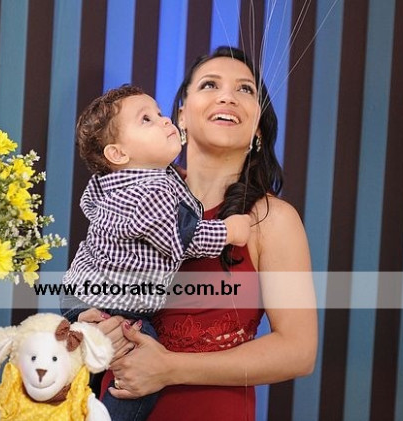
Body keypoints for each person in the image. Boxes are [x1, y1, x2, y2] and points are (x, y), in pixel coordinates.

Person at [78, 46, 318, 421]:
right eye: (210, 84)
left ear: (258, 126)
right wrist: (93, 328)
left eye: (245, 89)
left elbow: (298, 352)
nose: (227, 96)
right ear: (181, 116)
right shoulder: (132, 197)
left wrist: (170, 368)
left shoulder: (271, 219)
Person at [60, 84, 252, 421]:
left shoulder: (117, 183)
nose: (164, 121)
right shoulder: (153, 190)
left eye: (160, 113)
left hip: (82, 293)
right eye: (146, 119)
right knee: (138, 371)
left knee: (81, 378)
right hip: (112, 302)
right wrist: (228, 231)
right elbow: (179, 239)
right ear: (118, 154)